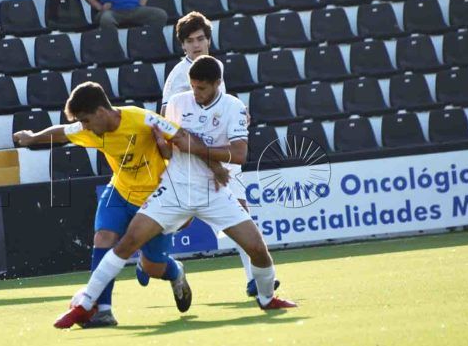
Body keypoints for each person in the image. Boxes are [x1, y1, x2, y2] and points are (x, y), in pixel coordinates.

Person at [55, 56, 296, 329]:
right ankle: (85, 305)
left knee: (257, 248)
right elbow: (172, 144)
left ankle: (267, 298)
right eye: (192, 86)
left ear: (218, 84)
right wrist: (166, 146)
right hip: (173, 189)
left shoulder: (234, 107)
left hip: (213, 191)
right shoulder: (178, 103)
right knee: (127, 242)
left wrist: (210, 161)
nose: (195, 93)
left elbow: (239, 155)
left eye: (201, 88)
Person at [14, 82, 200, 327]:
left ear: (101, 112)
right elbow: (62, 132)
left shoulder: (142, 119)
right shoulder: (91, 129)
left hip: (155, 199)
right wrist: (33, 137)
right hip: (119, 192)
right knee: (103, 237)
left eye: (86, 121)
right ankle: (104, 311)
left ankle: (176, 272)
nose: (83, 127)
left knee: (153, 267)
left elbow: (182, 137)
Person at [158, 11, 280, 298]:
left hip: (220, 152)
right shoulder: (178, 76)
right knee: (181, 220)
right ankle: (155, 258)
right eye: (190, 41)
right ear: (182, 45)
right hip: (195, 158)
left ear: (209, 40)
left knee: (241, 213)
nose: (196, 45)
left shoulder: (214, 67)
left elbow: (217, 104)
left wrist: (238, 115)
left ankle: (253, 278)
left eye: (200, 39)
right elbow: (165, 118)